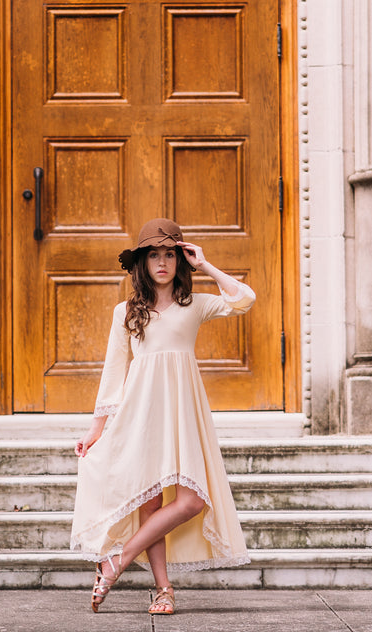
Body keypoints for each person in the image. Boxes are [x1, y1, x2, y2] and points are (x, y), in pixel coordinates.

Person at [70, 218, 256, 615]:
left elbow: (245, 299)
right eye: (153, 254)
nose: (162, 262)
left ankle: (116, 562)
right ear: (142, 262)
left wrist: (204, 265)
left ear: (180, 259)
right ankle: (164, 590)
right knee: (149, 504)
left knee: (190, 501)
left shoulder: (196, 304)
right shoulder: (126, 312)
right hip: (139, 417)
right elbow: (113, 372)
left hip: (183, 414)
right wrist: (96, 429)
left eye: (169, 254)